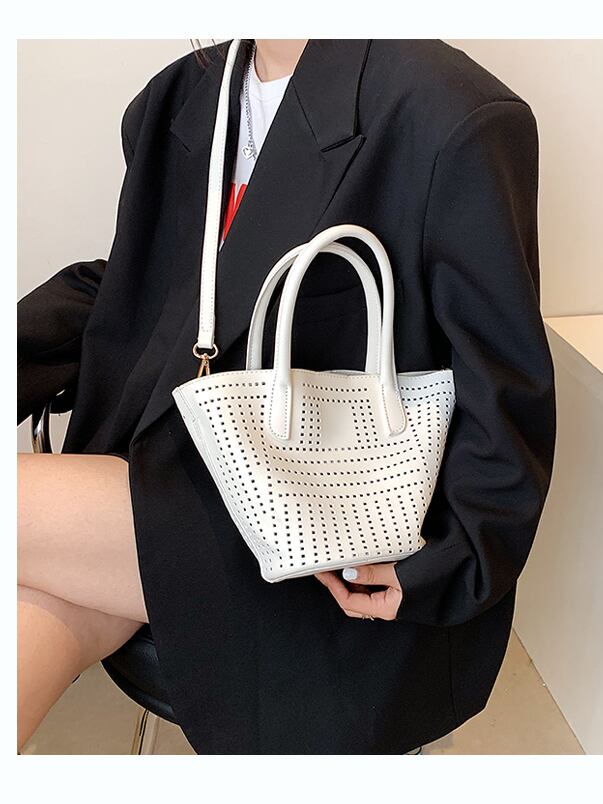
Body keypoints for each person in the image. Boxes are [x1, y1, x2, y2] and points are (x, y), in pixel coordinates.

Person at [17, 38, 556, 754]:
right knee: (34, 606)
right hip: (164, 469)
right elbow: (149, 281)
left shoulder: (450, 112)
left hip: (314, 527)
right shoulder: (177, 97)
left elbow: (503, 378)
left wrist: (446, 567)